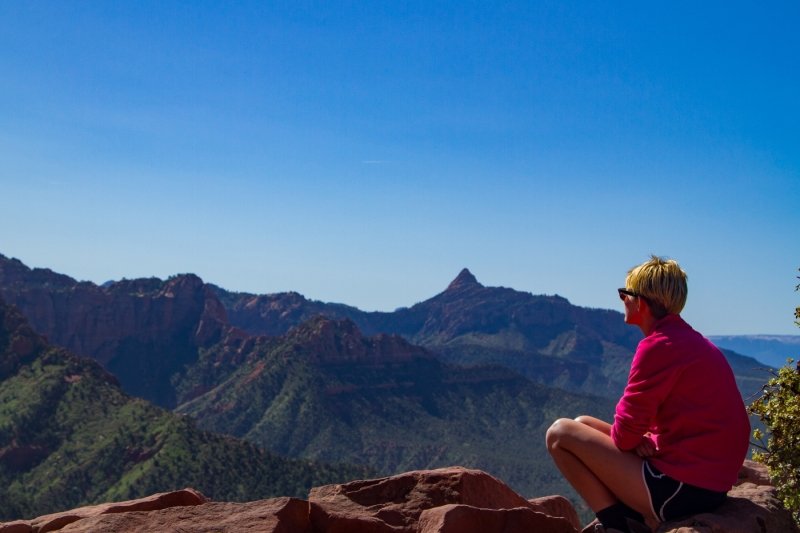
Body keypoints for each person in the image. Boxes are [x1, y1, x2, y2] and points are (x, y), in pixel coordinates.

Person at [545, 256, 750, 533]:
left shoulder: (658, 346)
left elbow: (624, 434)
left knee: (559, 434)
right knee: (582, 422)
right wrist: (639, 440)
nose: (621, 300)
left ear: (640, 302)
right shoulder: (693, 341)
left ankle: (620, 525)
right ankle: (628, 518)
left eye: (624, 294)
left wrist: (633, 440)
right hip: (709, 484)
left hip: (682, 490)